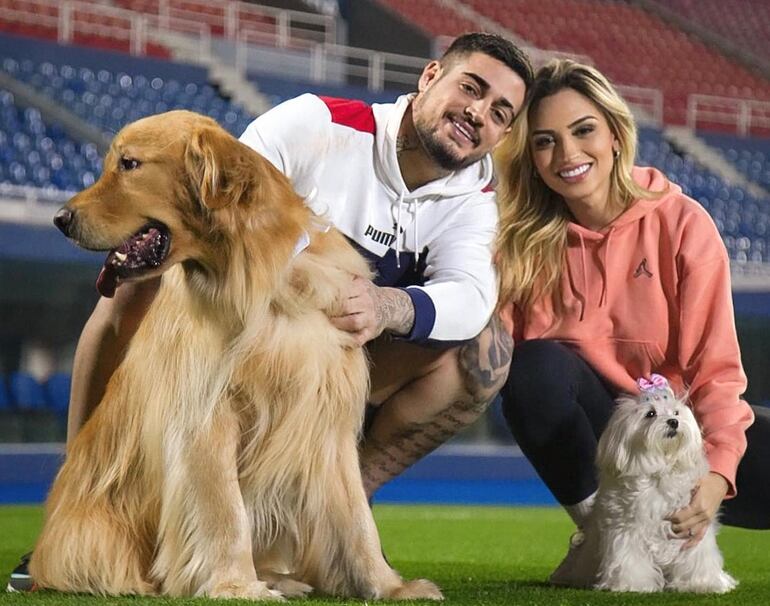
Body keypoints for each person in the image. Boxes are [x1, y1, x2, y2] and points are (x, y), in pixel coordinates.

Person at [7, 33, 533, 592]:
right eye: (470, 88)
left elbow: (472, 296)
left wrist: (388, 304)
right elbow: (231, 208)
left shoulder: (476, 195)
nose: (478, 113)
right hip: (265, 313)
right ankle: (89, 493)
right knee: (157, 288)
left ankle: (332, 529)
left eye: (500, 111)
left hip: (353, 336)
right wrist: (313, 286)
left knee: (483, 355)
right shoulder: (316, 123)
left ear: (503, 132)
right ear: (430, 77)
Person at [493, 58, 770, 578]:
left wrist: (715, 478)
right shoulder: (521, 245)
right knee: (533, 367)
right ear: (531, 158)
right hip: (607, 438)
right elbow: (492, 356)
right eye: (545, 141)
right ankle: (603, 535)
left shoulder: (684, 223)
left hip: (682, 431)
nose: (568, 153)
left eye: (584, 130)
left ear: (616, 135)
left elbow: (715, 374)